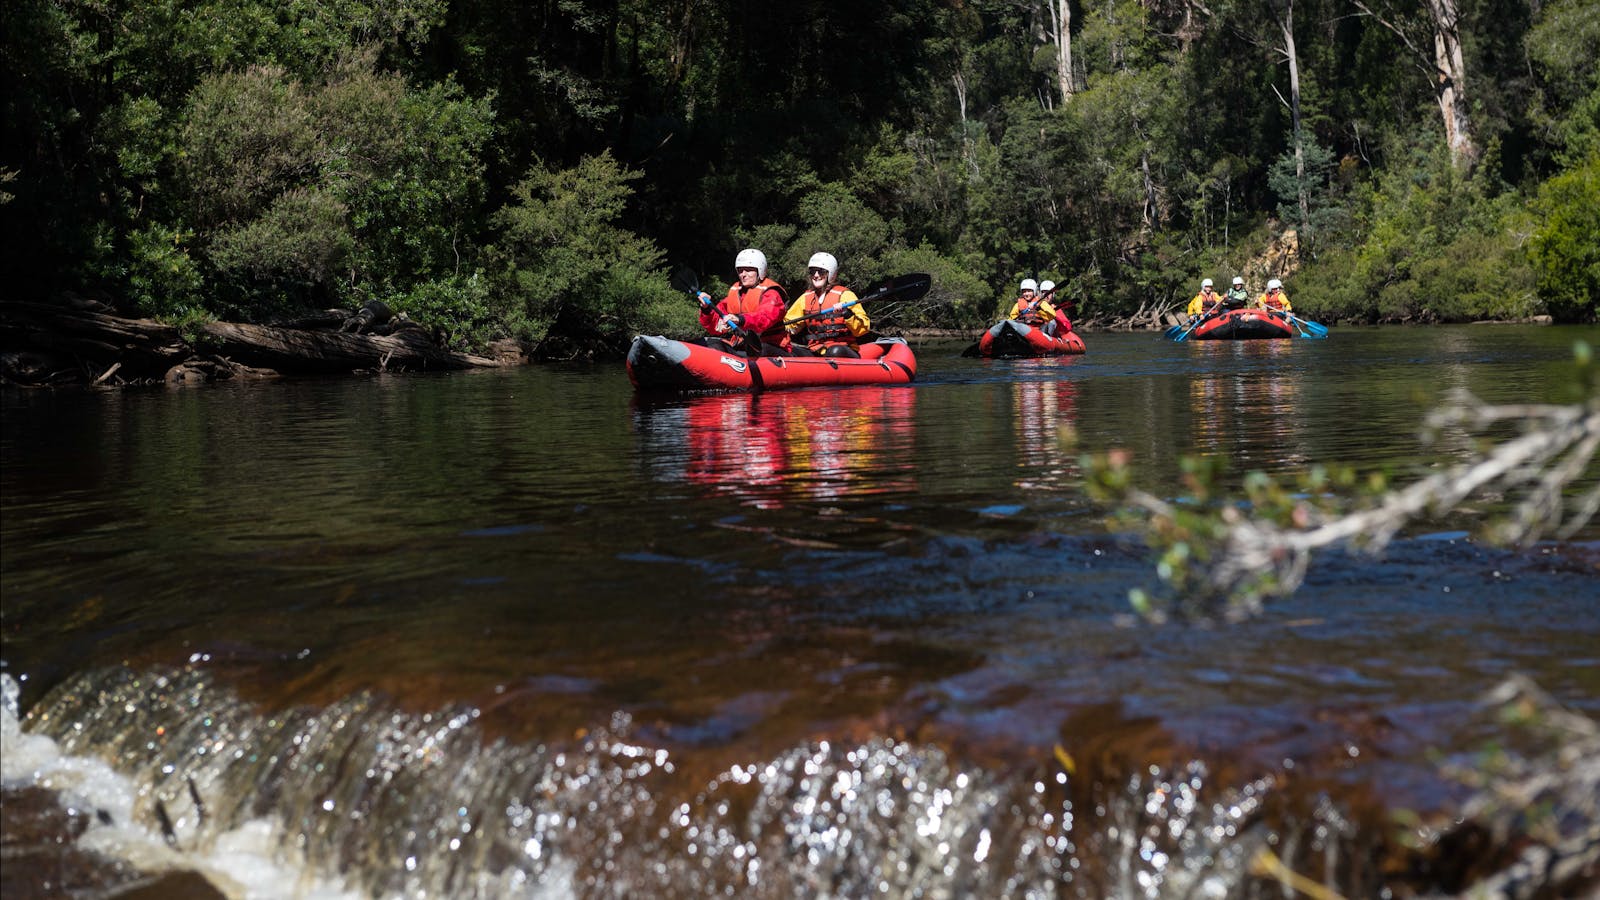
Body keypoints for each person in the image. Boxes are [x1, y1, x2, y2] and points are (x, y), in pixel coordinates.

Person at [697, 248, 790, 356]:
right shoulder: (736, 292)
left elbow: (765, 317)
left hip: (772, 346)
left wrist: (741, 319)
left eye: (748, 270)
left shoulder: (772, 293)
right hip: (743, 345)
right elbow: (715, 327)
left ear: (760, 270)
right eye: (740, 270)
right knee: (711, 344)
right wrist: (706, 309)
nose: (743, 274)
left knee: (760, 349)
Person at [784, 252, 871, 357]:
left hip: (843, 350)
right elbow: (789, 325)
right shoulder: (805, 298)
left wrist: (847, 313)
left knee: (834, 351)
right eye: (812, 272)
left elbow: (862, 330)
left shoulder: (845, 295)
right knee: (790, 350)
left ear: (831, 273)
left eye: (821, 271)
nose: (816, 275)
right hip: (816, 350)